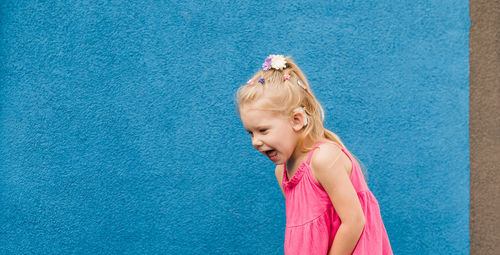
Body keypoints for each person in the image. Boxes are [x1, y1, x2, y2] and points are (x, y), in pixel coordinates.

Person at [236, 55, 393, 254]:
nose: (255, 141)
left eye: (263, 130)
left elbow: (354, 221)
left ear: (296, 120)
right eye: (250, 133)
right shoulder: (281, 172)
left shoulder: (324, 159)